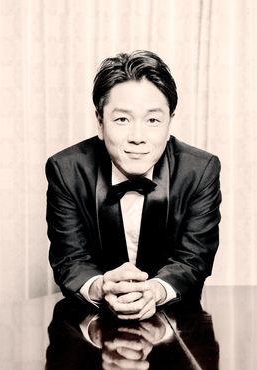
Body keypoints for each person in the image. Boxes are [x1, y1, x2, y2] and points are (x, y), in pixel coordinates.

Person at [45, 50, 221, 320]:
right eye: (122, 119)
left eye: (153, 120)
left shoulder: (199, 170)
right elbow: (70, 259)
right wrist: (101, 287)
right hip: (89, 322)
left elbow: (193, 258)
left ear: (169, 122)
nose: (137, 137)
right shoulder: (66, 170)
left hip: (178, 322)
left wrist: (155, 291)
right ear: (100, 123)